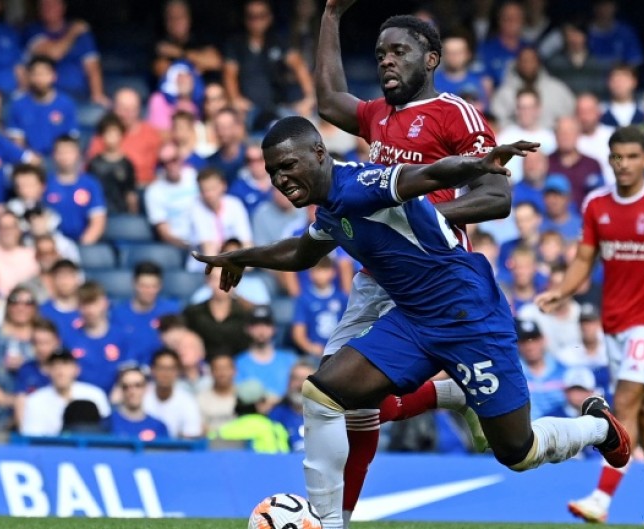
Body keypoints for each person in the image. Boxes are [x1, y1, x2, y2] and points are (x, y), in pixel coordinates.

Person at [194, 118, 630, 529]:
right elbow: (300, 253)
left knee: (518, 451)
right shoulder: (329, 210)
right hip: (414, 319)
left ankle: (598, 427)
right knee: (323, 395)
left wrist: (478, 164)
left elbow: (422, 177)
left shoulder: (360, 184)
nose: (280, 179)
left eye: (288, 165)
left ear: (319, 152)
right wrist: (241, 257)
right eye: (273, 172)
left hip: (468, 316)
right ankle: (328, 524)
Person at [299, 6, 521, 525]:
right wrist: (332, 13)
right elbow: (329, 99)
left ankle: (334, 519)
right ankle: (448, 393)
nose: (386, 61)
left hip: (430, 271)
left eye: (398, 51)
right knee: (345, 399)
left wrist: (420, 222)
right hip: (376, 275)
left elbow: (496, 196)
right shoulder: (377, 114)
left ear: (431, 58)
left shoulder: (455, 113)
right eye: (380, 54)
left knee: (334, 394)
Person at [535, 126, 644, 526]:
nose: (623, 164)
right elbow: (583, 259)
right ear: (610, 160)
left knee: (623, 401)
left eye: (631, 157)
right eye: (617, 157)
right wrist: (563, 291)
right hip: (614, 321)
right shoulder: (596, 204)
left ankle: (600, 498)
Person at [223, 0, 314, 129]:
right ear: (245, 19)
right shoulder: (235, 44)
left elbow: (299, 65)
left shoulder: (278, 41)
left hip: (278, 108)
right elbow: (229, 74)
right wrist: (235, 100)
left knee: (302, 126)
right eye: (252, 17)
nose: (256, 21)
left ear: (269, 18)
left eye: (261, 16)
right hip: (249, 111)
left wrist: (309, 98)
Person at [23, 0, 108, 106]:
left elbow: (92, 67)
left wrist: (97, 95)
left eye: (53, 5)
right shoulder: (33, 31)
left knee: (98, 112)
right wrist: (73, 33)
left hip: (79, 95)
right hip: (46, 97)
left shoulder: (82, 36)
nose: (48, 8)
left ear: (63, 7)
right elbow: (54, 53)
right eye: (44, 5)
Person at [61, 281, 133, 393]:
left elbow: (129, 370)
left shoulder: (122, 336)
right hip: (80, 399)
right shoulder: (69, 338)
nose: (90, 310)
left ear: (104, 302)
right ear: (78, 307)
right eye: (84, 304)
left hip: (115, 399)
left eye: (93, 303)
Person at [18, 349, 109, 436]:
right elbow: (31, 436)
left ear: (76, 369)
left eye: (65, 365)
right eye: (55, 366)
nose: (60, 371)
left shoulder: (94, 394)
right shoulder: (35, 400)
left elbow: (106, 430)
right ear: (47, 370)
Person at [87, 88, 163, 187]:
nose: (127, 114)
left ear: (139, 110)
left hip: (144, 187)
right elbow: (93, 167)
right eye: (123, 109)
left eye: (132, 109)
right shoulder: (103, 135)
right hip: (112, 190)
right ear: (114, 109)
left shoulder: (150, 133)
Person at [6, 56, 78, 156]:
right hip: (30, 160)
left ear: (54, 76)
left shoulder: (66, 104)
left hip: (58, 159)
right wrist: (29, 157)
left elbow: (71, 139)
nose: (40, 79)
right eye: (36, 74)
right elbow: (17, 142)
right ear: (29, 77)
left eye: (44, 74)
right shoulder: (18, 105)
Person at [112, 262, 182, 364]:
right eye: (144, 286)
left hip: (163, 372)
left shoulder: (171, 311)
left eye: (154, 286)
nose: (149, 291)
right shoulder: (118, 314)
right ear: (134, 284)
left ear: (160, 286)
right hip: (129, 372)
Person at [45, 135, 107, 244]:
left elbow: (98, 221)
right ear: (54, 155)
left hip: (82, 244)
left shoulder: (90, 184)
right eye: (61, 152)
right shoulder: (45, 183)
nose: (64, 156)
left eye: (69, 152)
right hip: (51, 245)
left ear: (77, 154)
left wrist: (81, 247)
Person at [209, 378, 289, 453]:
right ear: (259, 404)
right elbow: (280, 461)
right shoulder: (274, 429)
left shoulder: (222, 431)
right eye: (264, 400)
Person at [144, 141, 199, 250]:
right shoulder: (154, 191)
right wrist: (191, 248)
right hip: (181, 245)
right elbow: (165, 233)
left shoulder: (194, 176)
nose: (170, 166)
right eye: (165, 163)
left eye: (174, 159)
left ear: (181, 158)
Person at [234, 306, 297, 397]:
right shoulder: (238, 363)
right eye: (256, 325)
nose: (261, 330)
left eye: (267, 324)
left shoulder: (290, 360)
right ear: (247, 329)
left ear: (274, 329)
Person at [291, 256, 347, 359]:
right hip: (315, 354)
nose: (320, 275)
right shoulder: (304, 299)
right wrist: (311, 348)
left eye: (324, 270)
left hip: (339, 352)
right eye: (316, 271)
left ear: (333, 272)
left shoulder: (342, 298)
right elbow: (298, 333)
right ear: (310, 273)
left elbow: (350, 326)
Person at [152, 0, 222, 80]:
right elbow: (160, 70)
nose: (176, 21)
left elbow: (216, 62)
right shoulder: (161, 44)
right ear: (165, 21)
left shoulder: (201, 38)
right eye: (171, 17)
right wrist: (198, 65)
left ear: (189, 18)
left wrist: (178, 53)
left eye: (180, 16)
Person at [143, 348, 203, 439]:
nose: (166, 374)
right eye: (161, 368)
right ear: (153, 370)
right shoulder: (142, 397)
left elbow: (191, 437)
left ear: (178, 371)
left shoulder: (187, 401)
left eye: (170, 369)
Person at [516, 318, 567, 419]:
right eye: (524, 342)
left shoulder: (563, 371)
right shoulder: (515, 375)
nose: (530, 347)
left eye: (534, 340)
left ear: (543, 340)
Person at [87, 113, 137, 214]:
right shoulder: (94, 164)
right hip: (99, 212)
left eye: (115, 133)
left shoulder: (127, 164)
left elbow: (130, 195)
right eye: (108, 133)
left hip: (121, 213)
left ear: (121, 135)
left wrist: (132, 215)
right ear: (102, 136)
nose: (112, 137)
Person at [109, 366, 170, 441]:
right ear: (120, 389)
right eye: (126, 386)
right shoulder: (108, 423)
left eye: (138, 385)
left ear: (146, 388)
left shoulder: (159, 426)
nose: (132, 391)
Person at [268, 360, 314, 452]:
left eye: (306, 380)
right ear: (288, 382)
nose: (301, 385)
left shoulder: (327, 416)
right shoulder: (277, 415)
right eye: (296, 379)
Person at [196, 352, 237, 433]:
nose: (222, 373)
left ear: (234, 371)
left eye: (226, 368)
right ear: (211, 372)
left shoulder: (245, 397)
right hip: (210, 444)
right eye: (217, 369)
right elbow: (200, 428)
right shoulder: (200, 399)